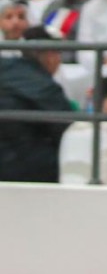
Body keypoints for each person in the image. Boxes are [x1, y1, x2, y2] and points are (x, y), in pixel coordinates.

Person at [0, 26, 73, 182]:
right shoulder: (44, 86)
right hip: (27, 168)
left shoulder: (6, 67)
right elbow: (68, 130)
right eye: (58, 53)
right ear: (50, 55)